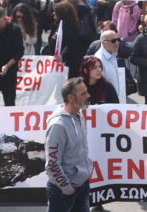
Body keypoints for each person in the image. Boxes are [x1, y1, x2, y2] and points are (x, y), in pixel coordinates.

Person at [45, 77, 91, 212]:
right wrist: (68, 188)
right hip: (63, 192)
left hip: (82, 185)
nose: (88, 96)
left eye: (86, 92)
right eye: (83, 94)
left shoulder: (79, 114)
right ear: (71, 98)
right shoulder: (58, 126)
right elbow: (52, 164)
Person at [93, 28, 125, 103]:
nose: (117, 43)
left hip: (117, 99)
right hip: (107, 103)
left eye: (118, 40)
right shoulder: (99, 60)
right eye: (113, 41)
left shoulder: (112, 53)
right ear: (103, 42)